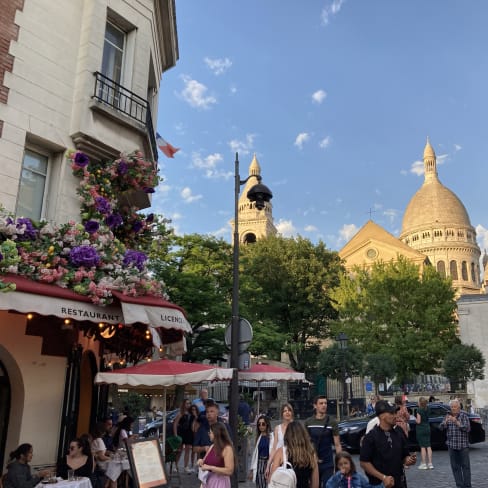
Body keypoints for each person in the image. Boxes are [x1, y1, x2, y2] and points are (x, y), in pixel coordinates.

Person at [360, 400, 416, 488]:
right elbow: (364, 462)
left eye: (395, 412)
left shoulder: (399, 432)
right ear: (382, 416)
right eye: (391, 413)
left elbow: (404, 456)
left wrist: (408, 460)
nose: (395, 415)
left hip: (400, 483)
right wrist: (383, 477)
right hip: (380, 484)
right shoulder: (370, 437)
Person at [304, 395, 342, 487]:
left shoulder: (332, 422)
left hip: (328, 463)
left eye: (325, 403)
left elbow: (337, 444)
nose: (324, 405)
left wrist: (340, 462)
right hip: (312, 462)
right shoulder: (308, 422)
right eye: (321, 403)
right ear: (315, 406)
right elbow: (305, 443)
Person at [270, 421, 319, 488]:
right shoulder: (311, 454)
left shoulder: (282, 452)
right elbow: (315, 485)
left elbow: (272, 478)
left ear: (287, 435)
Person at [439, 399, 471, 488]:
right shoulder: (447, 416)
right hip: (451, 446)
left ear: (459, 407)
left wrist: (456, 422)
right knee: (455, 467)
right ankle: (459, 485)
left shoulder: (464, 415)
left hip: (463, 445)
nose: (453, 408)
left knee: (465, 467)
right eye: (452, 407)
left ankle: (467, 486)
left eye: (455, 407)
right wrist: (445, 422)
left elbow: (467, 429)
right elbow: (440, 428)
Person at [197, 422, 235, 488]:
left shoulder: (227, 448)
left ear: (216, 434)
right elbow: (205, 461)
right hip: (208, 481)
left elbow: (229, 470)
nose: (209, 434)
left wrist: (211, 468)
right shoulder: (212, 446)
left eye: (210, 433)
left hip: (220, 482)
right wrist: (200, 461)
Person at [249, 415, 274, 488]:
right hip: (259, 464)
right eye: (259, 424)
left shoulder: (271, 436)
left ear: (267, 424)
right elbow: (255, 454)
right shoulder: (258, 437)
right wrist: (251, 470)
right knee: (260, 484)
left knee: (268, 484)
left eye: (263, 424)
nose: (261, 426)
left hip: (268, 463)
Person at [173, 398, 194, 473]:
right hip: (181, 433)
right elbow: (175, 424)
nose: (188, 405)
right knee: (179, 450)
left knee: (188, 450)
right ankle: (175, 465)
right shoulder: (180, 413)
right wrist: (175, 434)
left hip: (189, 433)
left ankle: (186, 466)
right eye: (187, 403)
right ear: (184, 404)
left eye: (189, 403)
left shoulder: (191, 413)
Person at [90, 422, 112, 488]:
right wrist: (112, 458)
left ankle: (108, 483)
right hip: (101, 464)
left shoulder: (95, 440)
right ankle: (107, 484)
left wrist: (110, 453)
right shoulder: (99, 440)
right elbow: (101, 457)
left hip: (97, 463)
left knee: (115, 470)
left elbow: (100, 452)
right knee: (116, 465)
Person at [415, 397, 433, 470]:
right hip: (427, 427)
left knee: (422, 447)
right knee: (428, 446)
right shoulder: (428, 409)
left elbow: (418, 421)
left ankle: (423, 463)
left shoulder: (419, 410)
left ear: (420, 402)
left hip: (421, 428)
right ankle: (430, 463)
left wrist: (414, 419)